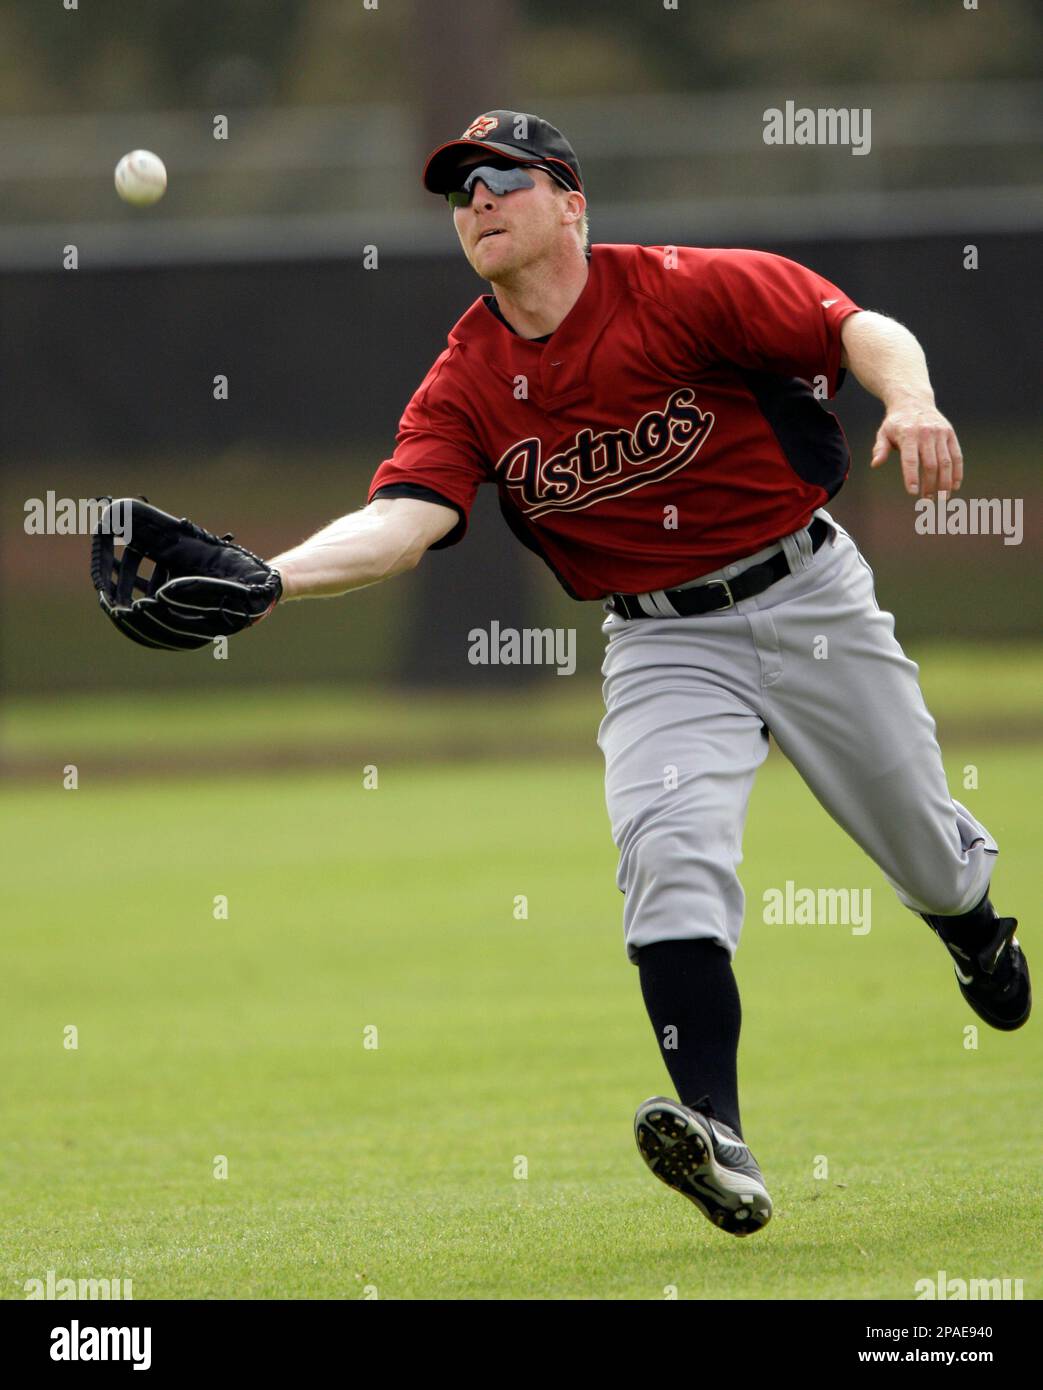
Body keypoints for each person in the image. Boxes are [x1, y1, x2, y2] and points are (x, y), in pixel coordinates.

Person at [267, 111, 1030, 1237]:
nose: (474, 201)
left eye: (500, 179)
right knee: (668, 856)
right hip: (663, 639)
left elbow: (859, 329)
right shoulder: (468, 373)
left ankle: (971, 925)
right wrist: (266, 580)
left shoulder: (682, 288)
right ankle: (713, 1129)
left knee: (920, 842)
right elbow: (403, 520)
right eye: (456, 190)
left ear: (570, 204)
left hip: (806, 593)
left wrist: (908, 400)